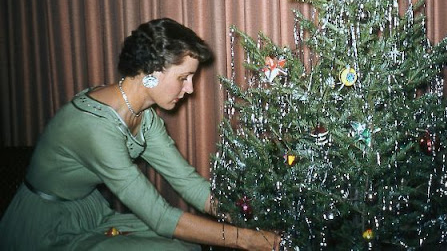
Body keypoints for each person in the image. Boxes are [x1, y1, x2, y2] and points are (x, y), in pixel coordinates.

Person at [0, 18, 280, 250]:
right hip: (45, 225)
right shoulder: (95, 128)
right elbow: (160, 216)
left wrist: (251, 216)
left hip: (88, 209)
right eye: (183, 78)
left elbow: (189, 183)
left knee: (188, 244)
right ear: (150, 73)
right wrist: (246, 240)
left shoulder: (144, 117)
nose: (190, 89)